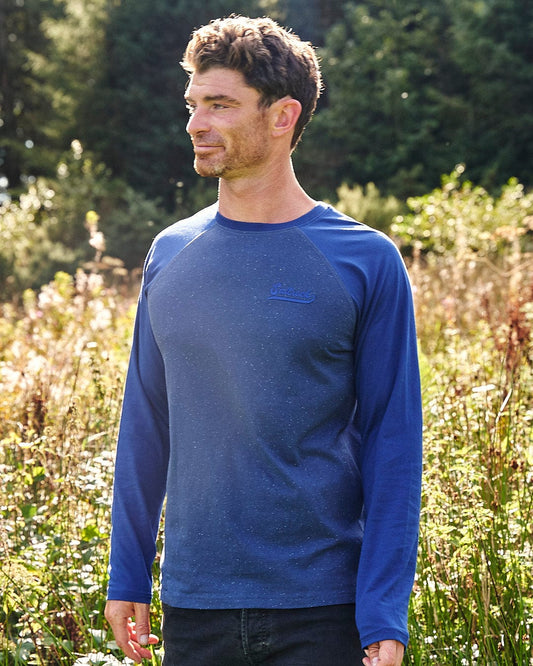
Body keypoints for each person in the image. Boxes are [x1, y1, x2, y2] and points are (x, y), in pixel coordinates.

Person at [104, 15, 422, 666]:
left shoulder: (365, 262)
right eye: (193, 104)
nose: (196, 123)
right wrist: (127, 572)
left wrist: (383, 613)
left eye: (220, 105)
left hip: (322, 610)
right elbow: (145, 421)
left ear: (283, 117)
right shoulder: (169, 254)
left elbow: (394, 445)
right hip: (194, 607)